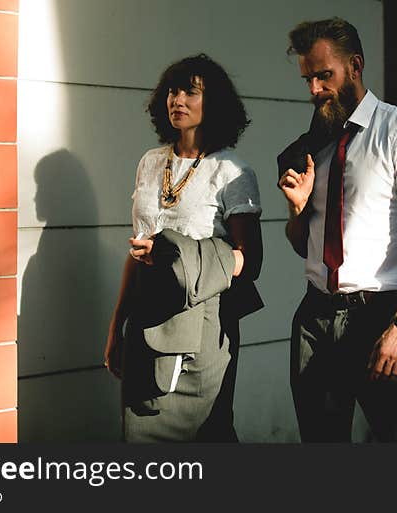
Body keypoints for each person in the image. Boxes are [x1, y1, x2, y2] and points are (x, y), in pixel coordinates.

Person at [277, 18, 397, 442]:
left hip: (379, 316)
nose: (314, 89)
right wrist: (298, 211)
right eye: (308, 79)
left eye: (324, 75)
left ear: (355, 66)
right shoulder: (312, 145)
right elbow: (303, 245)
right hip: (315, 317)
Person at [105, 54, 263, 442]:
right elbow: (138, 253)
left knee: (206, 431)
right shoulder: (150, 162)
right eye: (173, 91)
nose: (177, 100)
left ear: (214, 104)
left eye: (190, 92)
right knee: (141, 427)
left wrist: (184, 258)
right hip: (146, 313)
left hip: (204, 318)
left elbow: (250, 260)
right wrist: (116, 326)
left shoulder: (232, 171)